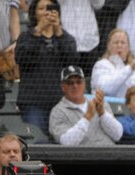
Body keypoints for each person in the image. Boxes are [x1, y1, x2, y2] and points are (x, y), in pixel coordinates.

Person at [15, 0, 78, 134]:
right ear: (34, 13)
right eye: (41, 8)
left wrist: (59, 31)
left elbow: (71, 62)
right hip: (33, 104)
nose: (46, 12)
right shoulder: (26, 36)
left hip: (61, 104)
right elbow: (22, 58)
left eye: (49, 8)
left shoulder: (66, 38)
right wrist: (38, 31)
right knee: (38, 142)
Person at [49, 65, 123, 145]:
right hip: (84, 156)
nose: (75, 86)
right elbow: (66, 142)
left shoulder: (100, 103)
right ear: (63, 87)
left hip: (110, 154)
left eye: (79, 82)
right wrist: (87, 117)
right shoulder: (58, 112)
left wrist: (102, 113)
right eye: (70, 83)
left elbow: (118, 135)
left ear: (84, 84)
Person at [90, 28, 135, 99]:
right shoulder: (101, 65)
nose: (119, 45)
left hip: (132, 108)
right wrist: (130, 68)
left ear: (128, 47)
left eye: (123, 43)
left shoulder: (134, 66)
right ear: (109, 46)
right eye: (116, 42)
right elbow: (106, 89)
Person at [57, 0, 105, 76]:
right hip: (67, 41)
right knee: (68, 77)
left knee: (89, 79)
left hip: (89, 40)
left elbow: (99, 4)